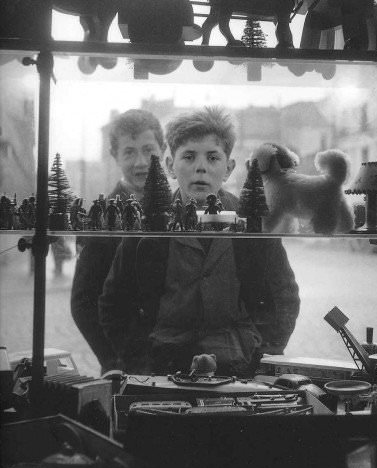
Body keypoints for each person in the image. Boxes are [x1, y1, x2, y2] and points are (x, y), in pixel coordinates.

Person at [98, 106, 300, 377]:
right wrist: (139, 363)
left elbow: (284, 294)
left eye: (213, 157)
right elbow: (113, 303)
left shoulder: (251, 223)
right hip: (164, 364)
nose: (201, 167)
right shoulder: (150, 224)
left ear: (228, 169)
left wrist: (264, 357)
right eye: (189, 157)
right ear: (170, 166)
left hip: (237, 364)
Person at [71, 108, 166, 373]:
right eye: (129, 152)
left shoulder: (179, 205)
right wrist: (113, 360)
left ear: (163, 148)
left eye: (149, 150)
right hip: (128, 364)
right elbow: (82, 302)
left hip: (177, 357)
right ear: (115, 156)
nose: (140, 162)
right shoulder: (102, 216)